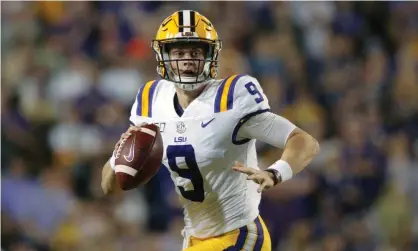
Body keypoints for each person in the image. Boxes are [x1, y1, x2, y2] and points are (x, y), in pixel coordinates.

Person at [101, 10, 320, 251]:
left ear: (211, 55)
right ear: (163, 56)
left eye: (196, 52)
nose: (187, 60)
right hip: (195, 238)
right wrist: (121, 161)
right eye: (179, 52)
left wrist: (276, 172)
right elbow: (108, 186)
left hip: (238, 235)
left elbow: (303, 141)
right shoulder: (151, 100)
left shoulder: (232, 97)